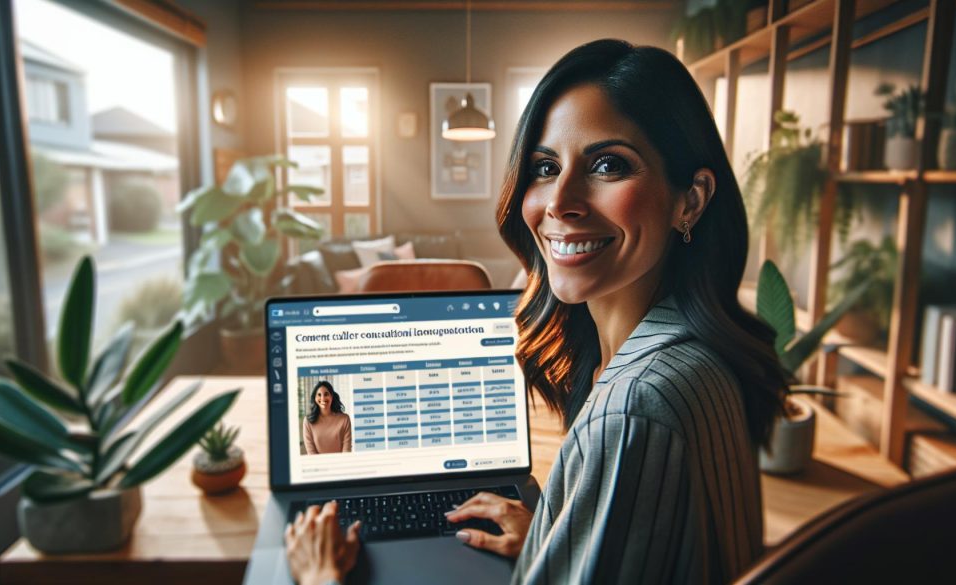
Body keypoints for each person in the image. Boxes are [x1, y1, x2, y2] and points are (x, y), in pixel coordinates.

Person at [287, 38, 789, 584]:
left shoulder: (634, 409)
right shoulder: (698, 357)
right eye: (545, 167)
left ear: (689, 200)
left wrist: (319, 578)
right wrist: (561, 534)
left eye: (607, 164)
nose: (558, 201)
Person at [302, 381, 353, 454]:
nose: (322, 398)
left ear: (332, 396)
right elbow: (311, 453)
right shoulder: (307, 421)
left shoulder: (345, 419)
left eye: (326, 394)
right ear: (315, 398)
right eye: (319, 395)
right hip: (317, 465)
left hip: (341, 464)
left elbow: (346, 451)